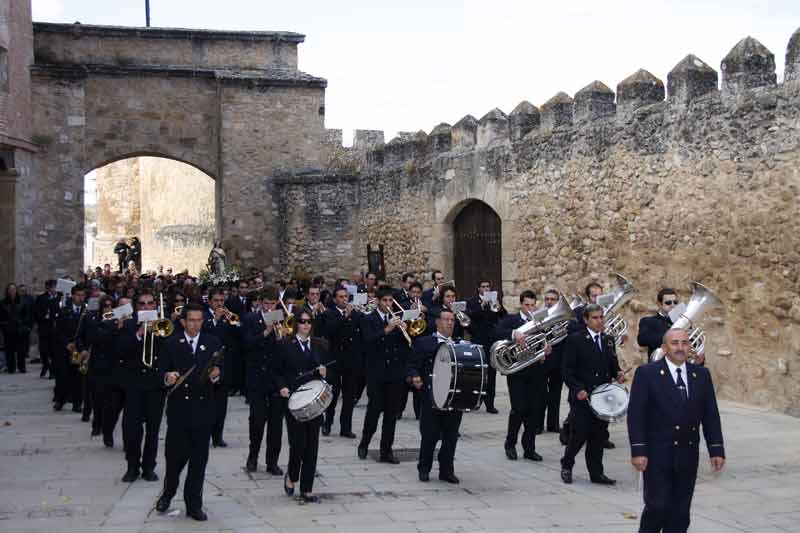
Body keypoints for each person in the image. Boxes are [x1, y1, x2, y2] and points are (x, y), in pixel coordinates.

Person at [628, 328, 725, 533]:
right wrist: (638, 450)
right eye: (675, 343)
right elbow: (636, 415)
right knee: (657, 506)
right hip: (657, 453)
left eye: (684, 343)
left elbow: (710, 415)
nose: (680, 348)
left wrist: (716, 449)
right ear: (664, 348)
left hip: (687, 452)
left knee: (681, 511)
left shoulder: (701, 374)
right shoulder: (647, 373)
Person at [156, 303, 223, 521]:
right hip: (179, 411)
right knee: (174, 458)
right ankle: (168, 492)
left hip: (203, 409)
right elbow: (160, 372)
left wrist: (216, 375)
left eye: (199, 320)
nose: (195, 324)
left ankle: (194, 503)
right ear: (183, 322)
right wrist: (168, 377)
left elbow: (222, 372)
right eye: (191, 320)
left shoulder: (212, 342)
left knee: (199, 460)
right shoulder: (172, 343)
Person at [559, 303, 624, 485]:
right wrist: (578, 389)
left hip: (602, 397)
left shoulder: (608, 339)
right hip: (583, 396)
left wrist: (618, 374)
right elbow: (567, 370)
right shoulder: (575, 339)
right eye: (595, 318)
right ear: (586, 320)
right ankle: (567, 464)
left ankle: (596, 473)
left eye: (601, 317)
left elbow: (612, 365)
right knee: (580, 433)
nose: (599, 321)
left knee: (598, 435)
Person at [273, 309, 330, 503]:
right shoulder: (284, 345)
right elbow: (276, 371)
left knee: (312, 445)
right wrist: (281, 387)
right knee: (298, 444)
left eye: (309, 321)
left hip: (313, 401)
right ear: (296, 323)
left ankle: (307, 488)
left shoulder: (319, 345)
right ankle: (292, 474)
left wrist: (324, 372)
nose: (306, 325)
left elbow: (325, 371)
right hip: (294, 400)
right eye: (302, 321)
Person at [408, 308, 463, 483]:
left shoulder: (458, 344)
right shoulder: (424, 342)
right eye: (446, 319)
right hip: (431, 395)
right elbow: (412, 364)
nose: (449, 323)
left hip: (452, 397)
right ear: (437, 322)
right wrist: (414, 376)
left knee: (451, 435)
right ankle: (424, 468)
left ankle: (446, 471)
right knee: (430, 434)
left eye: (452, 320)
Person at [358, 286, 411, 464]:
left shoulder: (396, 319)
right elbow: (367, 342)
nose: (388, 304)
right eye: (385, 301)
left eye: (390, 301)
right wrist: (387, 329)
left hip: (395, 373)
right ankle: (364, 442)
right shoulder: (368, 319)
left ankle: (386, 450)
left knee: (391, 414)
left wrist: (406, 331)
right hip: (376, 373)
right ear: (378, 302)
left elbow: (406, 346)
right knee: (374, 410)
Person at [118, 289, 166, 483]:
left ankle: (149, 467)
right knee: (132, 429)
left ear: (155, 305)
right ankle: (132, 466)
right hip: (134, 385)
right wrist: (139, 334)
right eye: (142, 304)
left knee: (153, 431)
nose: (146, 307)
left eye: (150, 304)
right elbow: (119, 350)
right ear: (136, 307)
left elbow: (169, 352)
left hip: (155, 385)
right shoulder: (128, 325)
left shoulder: (163, 325)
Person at [496, 290, 549, 461]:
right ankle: (510, 444)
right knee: (519, 409)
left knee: (534, 411)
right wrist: (513, 334)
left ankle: (529, 448)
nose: (530, 308)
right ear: (521, 304)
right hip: (517, 372)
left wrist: (547, 349)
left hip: (537, 371)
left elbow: (549, 338)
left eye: (533, 305)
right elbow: (496, 331)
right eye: (527, 305)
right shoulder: (512, 320)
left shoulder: (540, 321)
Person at [241, 287, 285, 475]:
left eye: (272, 304)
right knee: (257, 422)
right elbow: (245, 345)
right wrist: (265, 332)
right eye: (266, 304)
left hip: (276, 378)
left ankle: (272, 462)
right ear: (260, 302)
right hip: (257, 377)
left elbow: (286, 349)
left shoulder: (282, 318)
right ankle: (253, 457)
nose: (269, 307)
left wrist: (282, 336)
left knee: (276, 424)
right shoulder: (250, 319)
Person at [318, 286, 364, 437]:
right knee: (332, 394)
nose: (344, 299)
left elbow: (360, 332)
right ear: (334, 299)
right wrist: (345, 317)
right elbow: (330, 330)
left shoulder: (356, 314)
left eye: (346, 297)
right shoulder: (329, 314)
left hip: (351, 359)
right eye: (341, 297)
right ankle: (327, 423)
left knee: (349, 396)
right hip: (334, 359)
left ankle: (346, 427)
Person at [203, 288, 240, 447]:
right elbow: (208, 336)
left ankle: (218, 436)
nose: (219, 304)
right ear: (210, 302)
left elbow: (238, 335)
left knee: (221, 405)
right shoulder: (203, 317)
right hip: (207, 364)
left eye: (221, 301)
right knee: (206, 403)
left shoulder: (229, 317)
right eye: (216, 301)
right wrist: (216, 321)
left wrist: (233, 322)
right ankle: (204, 434)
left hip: (224, 365)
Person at [466, 278, 503, 414]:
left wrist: (498, 307)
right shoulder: (472, 302)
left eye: (488, 286)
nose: (486, 289)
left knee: (491, 373)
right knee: (478, 372)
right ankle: (474, 401)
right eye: (483, 286)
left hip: (492, 340)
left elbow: (502, 316)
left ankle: (490, 404)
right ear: (478, 288)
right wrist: (482, 306)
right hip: (478, 339)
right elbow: (469, 317)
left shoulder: (495, 299)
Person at [54, 284, 87, 412]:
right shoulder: (64, 311)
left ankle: (77, 403)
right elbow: (58, 331)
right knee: (63, 376)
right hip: (65, 349)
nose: (80, 298)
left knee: (78, 376)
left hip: (79, 349)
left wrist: (83, 347)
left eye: (82, 295)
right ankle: (60, 400)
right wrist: (66, 343)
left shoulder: (87, 311)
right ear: (72, 296)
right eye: (78, 295)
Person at [539, 289, 565, 433]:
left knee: (555, 394)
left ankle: (553, 424)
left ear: (558, 301)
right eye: (547, 299)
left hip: (558, 360)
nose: (549, 302)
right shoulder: (539, 315)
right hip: (542, 361)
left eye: (552, 299)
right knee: (540, 395)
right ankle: (537, 424)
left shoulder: (563, 317)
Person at [637, 288, 678, 362]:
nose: (672, 305)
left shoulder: (681, 321)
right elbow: (642, 340)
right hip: (658, 366)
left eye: (675, 302)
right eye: (668, 302)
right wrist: (670, 336)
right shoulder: (648, 321)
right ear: (659, 304)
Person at [0, 283, 32, 373]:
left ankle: (22, 367)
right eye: (10, 289)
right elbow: (1, 317)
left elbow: (26, 315)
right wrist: (4, 326)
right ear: (7, 291)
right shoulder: (2, 303)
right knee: (9, 351)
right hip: (8, 330)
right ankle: (11, 368)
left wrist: (26, 327)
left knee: (21, 350)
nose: (12, 291)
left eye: (14, 289)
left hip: (20, 329)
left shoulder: (22, 301)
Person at [33, 279, 61, 378]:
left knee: (54, 351)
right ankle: (45, 365)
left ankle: (52, 371)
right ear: (48, 288)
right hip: (44, 328)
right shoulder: (41, 298)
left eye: (55, 286)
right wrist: (44, 316)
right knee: (44, 351)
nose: (55, 289)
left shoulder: (60, 297)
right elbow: (36, 312)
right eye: (53, 287)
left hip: (56, 328)